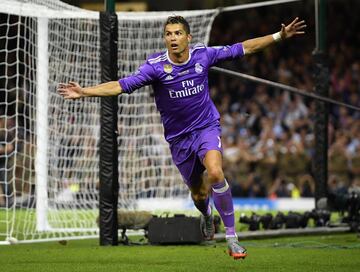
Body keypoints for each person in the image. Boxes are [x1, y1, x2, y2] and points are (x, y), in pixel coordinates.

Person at [58, 15, 306, 260]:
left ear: (188, 37)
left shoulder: (203, 55)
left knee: (216, 173)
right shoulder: (155, 67)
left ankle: (232, 238)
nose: (173, 38)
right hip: (179, 139)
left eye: (177, 33)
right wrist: (84, 92)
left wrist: (279, 36)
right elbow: (122, 85)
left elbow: (244, 48)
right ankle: (207, 214)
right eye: (168, 34)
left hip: (206, 127)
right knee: (198, 194)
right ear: (165, 39)